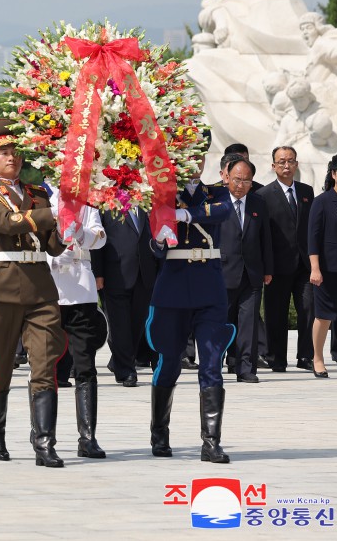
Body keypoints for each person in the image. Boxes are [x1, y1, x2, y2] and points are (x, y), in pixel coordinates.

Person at [0, 119, 67, 466]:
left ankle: (44, 442)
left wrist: (70, 222)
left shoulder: (38, 194)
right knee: (0, 365)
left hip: (40, 285)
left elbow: (53, 246)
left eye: (15, 152)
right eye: (3, 153)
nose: (11, 157)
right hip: (4, 284)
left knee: (45, 364)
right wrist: (50, 215)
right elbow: (3, 223)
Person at [145, 152, 234, 463]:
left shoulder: (217, 192)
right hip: (172, 288)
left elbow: (223, 211)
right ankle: (159, 432)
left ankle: (211, 442)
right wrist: (159, 237)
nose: (193, 161)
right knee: (169, 362)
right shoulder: (162, 194)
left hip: (209, 286)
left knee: (211, 363)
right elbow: (155, 247)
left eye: (199, 155)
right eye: (187, 153)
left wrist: (185, 216)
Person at [48, 200, 108, 458]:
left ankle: (87, 437)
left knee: (85, 366)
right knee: (44, 366)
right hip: (48, 288)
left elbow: (100, 237)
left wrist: (81, 234)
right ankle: (43, 433)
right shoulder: (41, 198)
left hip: (81, 290)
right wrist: (51, 253)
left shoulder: (87, 203)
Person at [258, 146, 315, 372]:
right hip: (277, 266)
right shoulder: (263, 196)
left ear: (296, 164)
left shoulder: (306, 192)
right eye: (281, 162)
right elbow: (263, 234)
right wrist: (266, 266)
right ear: (273, 166)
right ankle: (277, 358)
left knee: (309, 309)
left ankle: (306, 356)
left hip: (304, 265)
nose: (286, 166)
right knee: (275, 314)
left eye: (290, 161)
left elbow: (310, 228)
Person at [219, 158, 272, 383]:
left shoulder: (258, 203)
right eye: (237, 179)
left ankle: (246, 368)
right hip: (221, 273)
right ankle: (215, 364)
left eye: (246, 181)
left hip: (251, 274)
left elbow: (266, 239)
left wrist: (267, 269)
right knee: (220, 323)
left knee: (248, 323)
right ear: (226, 177)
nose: (240, 185)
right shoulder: (216, 201)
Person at [93, 205, 157, 386]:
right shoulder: (106, 205)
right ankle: (126, 370)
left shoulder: (146, 203)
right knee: (119, 325)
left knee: (136, 324)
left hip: (144, 274)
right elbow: (98, 241)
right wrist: (98, 273)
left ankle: (120, 360)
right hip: (115, 273)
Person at [308, 151, 337, 378]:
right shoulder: (322, 201)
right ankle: (318, 358)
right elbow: (313, 237)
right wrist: (315, 267)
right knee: (324, 316)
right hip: (328, 269)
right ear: (333, 174)